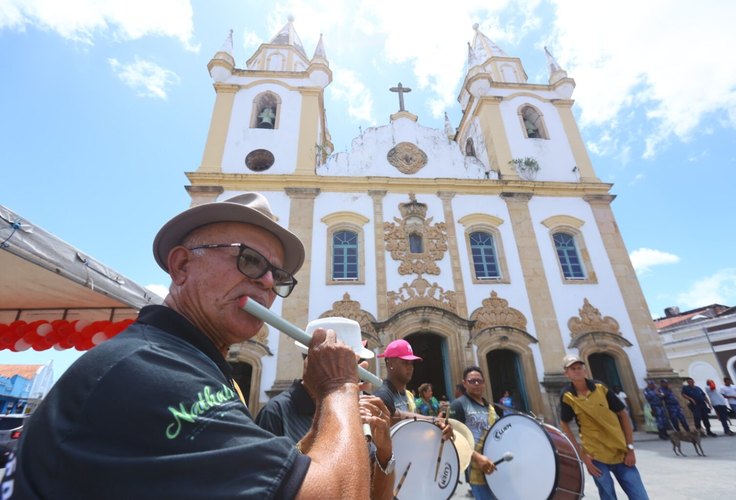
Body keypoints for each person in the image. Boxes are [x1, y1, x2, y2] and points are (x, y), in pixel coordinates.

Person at [3, 192, 371, 499]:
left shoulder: (190, 363)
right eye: (250, 260)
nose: (267, 284)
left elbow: (274, 477)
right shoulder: (152, 370)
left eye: (279, 277)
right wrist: (339, 387)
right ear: (181, 265)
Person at [256, 353, 395, 500]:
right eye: (343, 362)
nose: (353, 372)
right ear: (309, 361)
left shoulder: (353, 410)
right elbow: (267, 487)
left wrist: (384, 453)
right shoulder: (276, 411)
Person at [559, 355, 648, 500]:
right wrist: (583, 457)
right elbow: (564, 423)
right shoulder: (567, 396)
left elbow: (623, 414)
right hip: (595, 456)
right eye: (572, 369)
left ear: (585, 370)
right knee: (607, 497)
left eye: (579, 368)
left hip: (620, 452)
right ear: (566, 373)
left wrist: (630, 448)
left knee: (640, 496)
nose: (577, 371)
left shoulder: (601, 388)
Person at [449, 366, 498, 500]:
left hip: (495, 464)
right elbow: (455, 438)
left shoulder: (490, 407)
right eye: (472, 381)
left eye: (479, 381)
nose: (476, 384)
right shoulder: (458, 405)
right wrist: (477, 458)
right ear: (464, 383)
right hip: (476, 469)